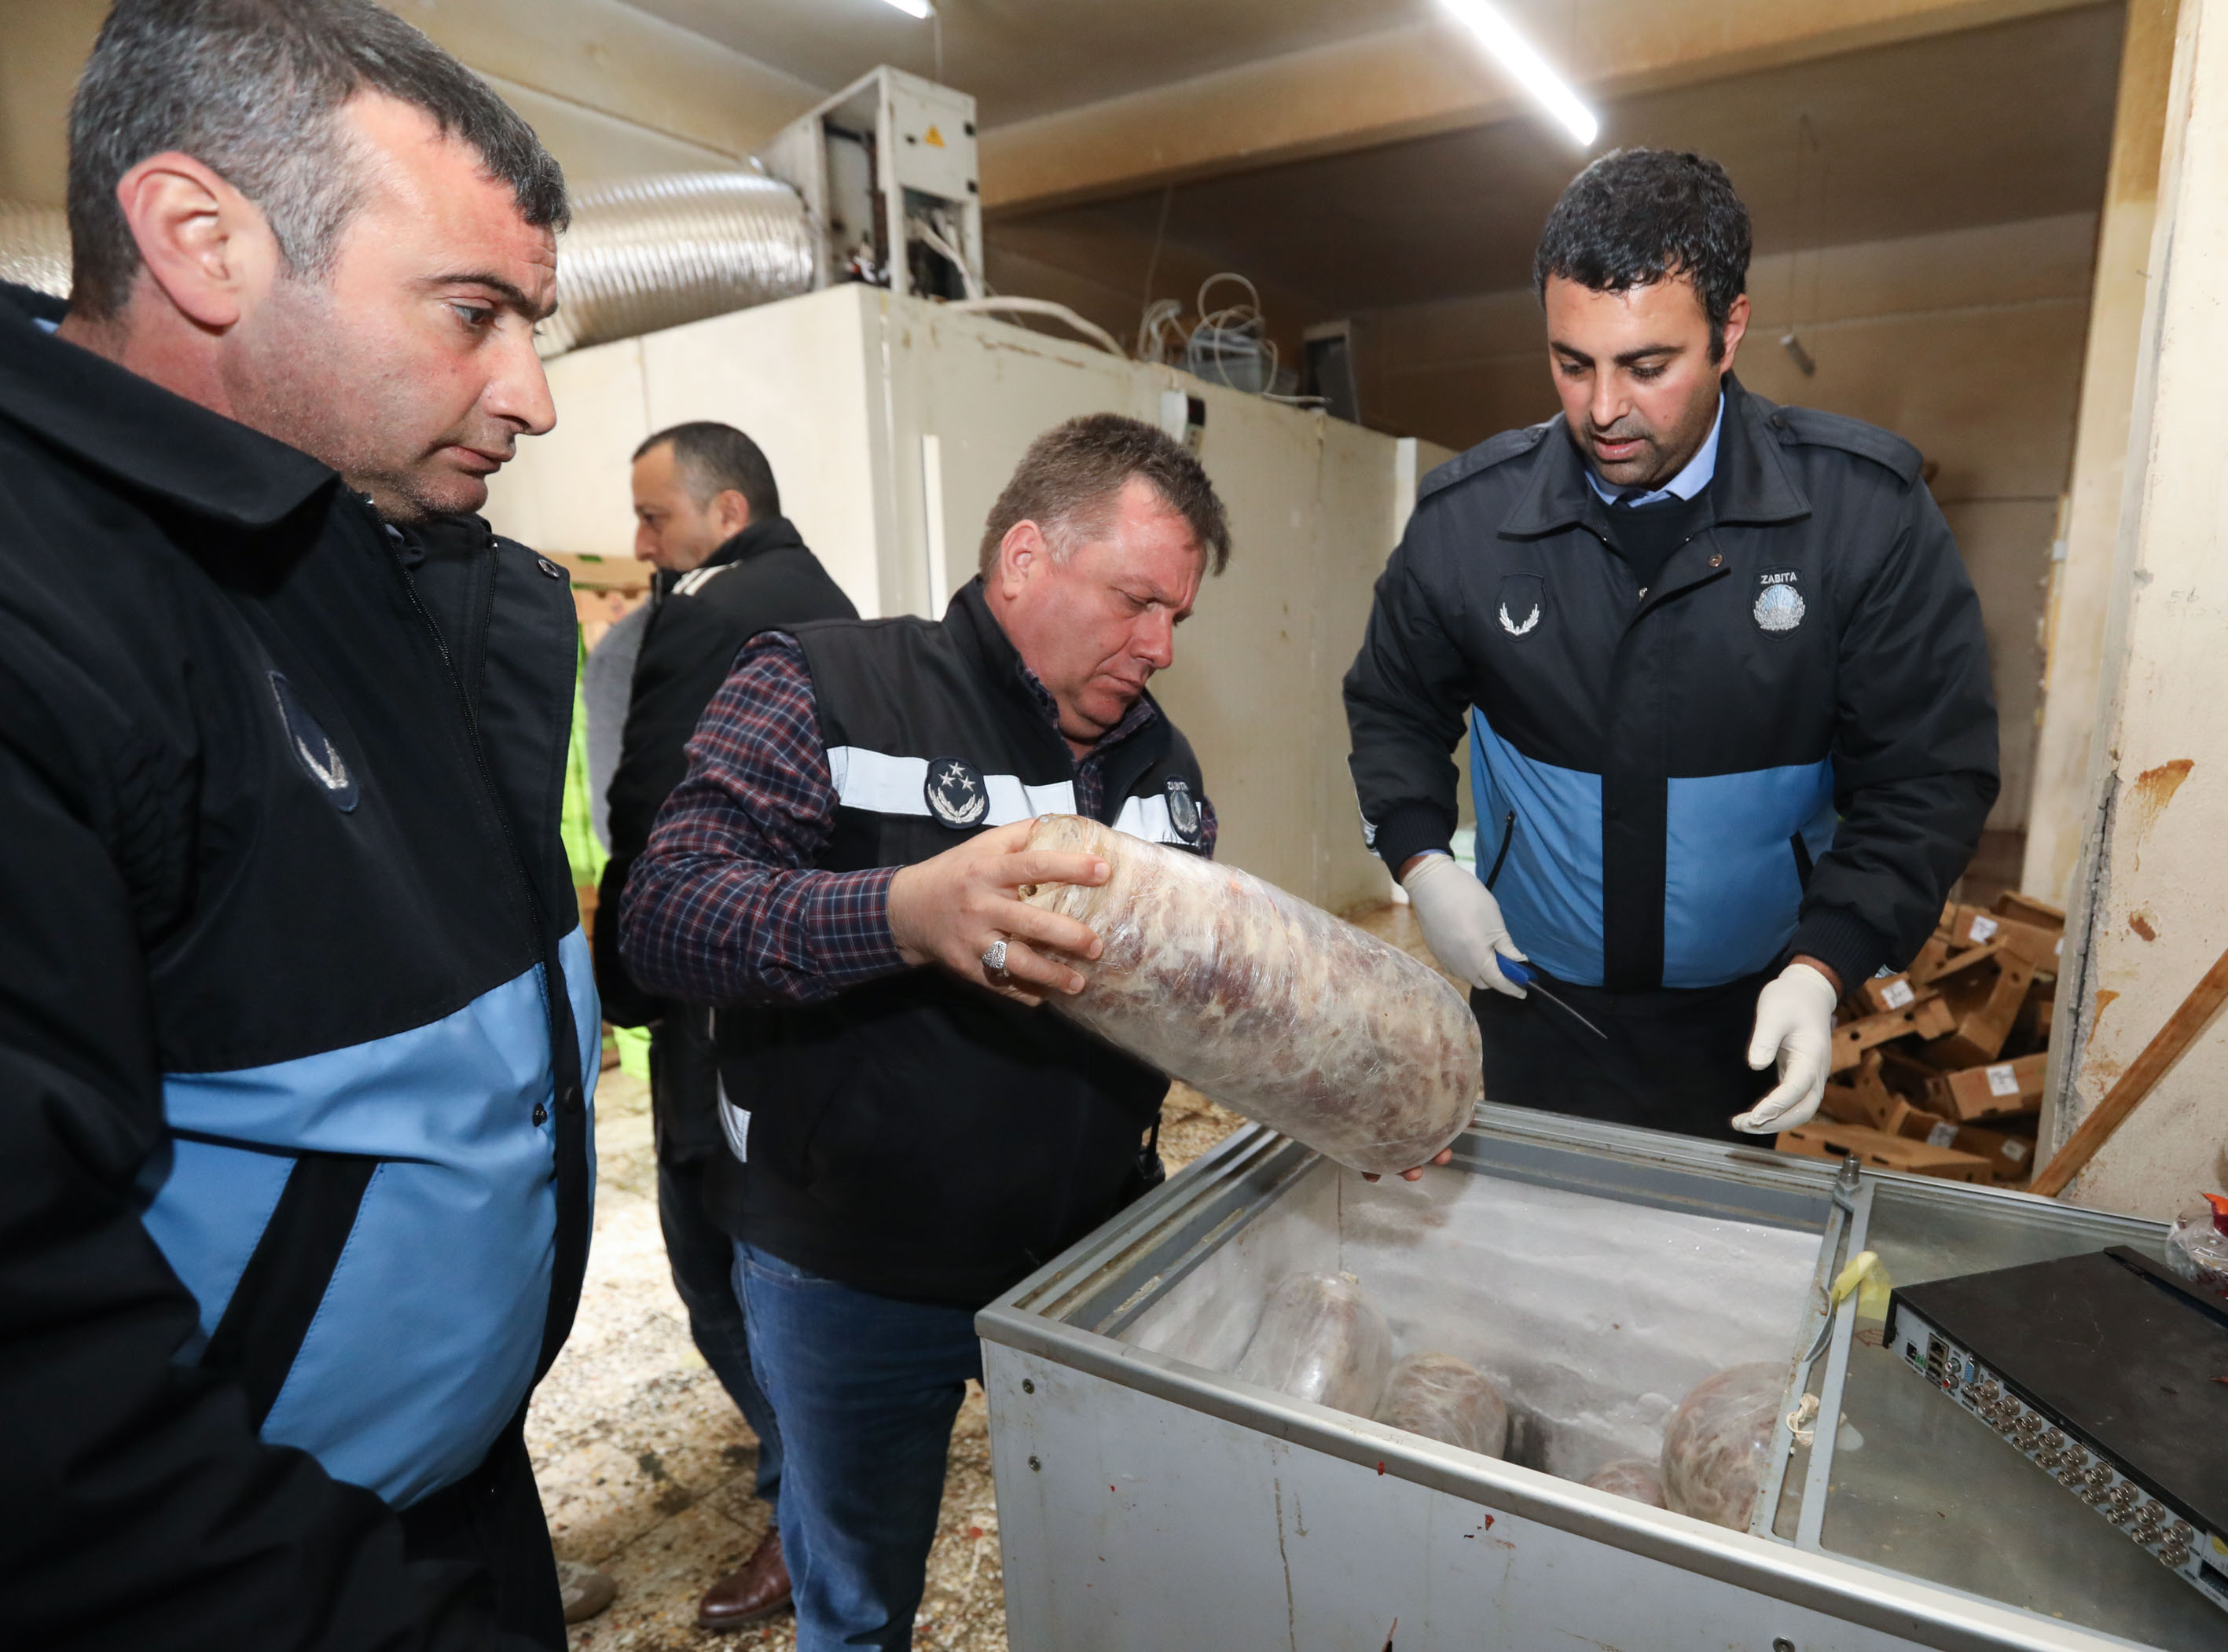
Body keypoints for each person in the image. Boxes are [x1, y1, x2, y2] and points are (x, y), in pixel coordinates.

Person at [0, 3, 596, 1646]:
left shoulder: (387, 556)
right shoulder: (44, 617)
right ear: (201, 240)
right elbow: (46, 1405)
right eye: (472, 313)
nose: (531, 396)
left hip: (459, 1496)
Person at [619, 414, 1229, 1652]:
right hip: (851, 1267)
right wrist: (904, 910)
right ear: (1022, 559)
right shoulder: (822, 681)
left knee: (1111, 1577)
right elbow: (666, 914)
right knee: (854, 1602)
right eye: (1133, 601)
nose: (1158, 647)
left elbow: (1197, 994)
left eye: (1177, 617)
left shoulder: (1160, 766)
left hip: (1080, 1263)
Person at [1344, 149, 1998, 1143]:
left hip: (1746, 1012)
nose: (1604, 407)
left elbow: (1928, 774)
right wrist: (1425, 861)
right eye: (1572, 363)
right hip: (1531, 1000)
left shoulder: (1863, 518)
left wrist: (1825, 964)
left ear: (1730, 329)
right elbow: (1394, 707)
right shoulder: (1467, 523)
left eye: (1648, 366)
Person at [593, 421, 857, 1630]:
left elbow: (646, 810)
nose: (640, 542)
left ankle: (801, 1512)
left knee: (718, 1263)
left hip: (714, 1000)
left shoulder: (703, 614)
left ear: (726, 512)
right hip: (815, 989)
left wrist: (626, 984)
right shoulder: (837, 600)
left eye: (656, 517)